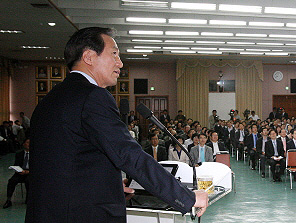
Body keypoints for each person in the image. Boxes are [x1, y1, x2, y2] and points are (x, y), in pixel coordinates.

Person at [27, 27, 207, 222]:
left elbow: (65, 162)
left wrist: (107, 185)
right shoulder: (93, 96)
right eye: (114, 54)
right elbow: (129, 155)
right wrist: (186, 197)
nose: (120, 63)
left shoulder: (50, 99)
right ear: (88, 57)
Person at [3, 139, 30, 209]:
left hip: (29, 173)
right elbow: (16, 164)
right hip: (20, 172)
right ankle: (8, 200)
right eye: (27, 143)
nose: (29, 144)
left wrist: (27, 172)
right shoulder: (19, 154)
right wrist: (18, 170)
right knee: (11, 181)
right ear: (24, 144)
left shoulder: (35, 155)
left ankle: (28, 198)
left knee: (28, 181)